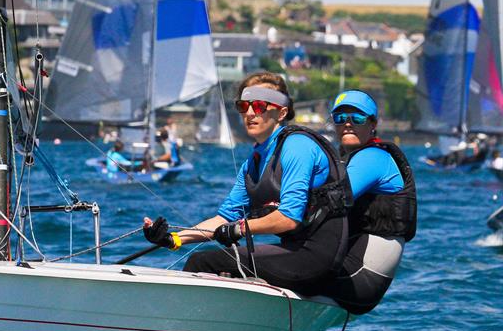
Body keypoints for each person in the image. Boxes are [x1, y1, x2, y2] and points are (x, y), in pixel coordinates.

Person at [143, 72, 351, 296]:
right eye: (244, 106)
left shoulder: (297, 146)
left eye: (260, 105)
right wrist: (172, 238)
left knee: (203, 262)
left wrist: (239, 228)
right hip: (292, 252)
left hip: (318, 258)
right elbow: (224, 218)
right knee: (214, 264)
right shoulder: (252, 163)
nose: (250, 113)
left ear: (281, 112)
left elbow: (289, 218)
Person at [320, 90, 417, 314]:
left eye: (358, 118)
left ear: (373, 123)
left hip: (361, 277)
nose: (348, 124)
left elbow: (331, 200)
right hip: (353, 270)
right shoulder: (344, 161)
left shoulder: (372, 158)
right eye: (340, 118)